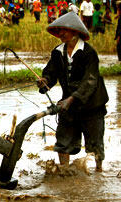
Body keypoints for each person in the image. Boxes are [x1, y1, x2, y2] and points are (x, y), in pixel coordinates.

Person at [37, 12, 108, 172]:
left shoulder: (89, 53)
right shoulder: (57, 52)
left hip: (92, 104)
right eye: (59, 30)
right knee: (63, 141)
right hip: (68, 104)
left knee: (95, 143)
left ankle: (98, 173)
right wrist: (45, 81)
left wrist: (72, 99)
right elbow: (51, 73)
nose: (61, 33)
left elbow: (90, 81)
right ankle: (63, 172)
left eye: (65, 30)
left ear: (75, 31)